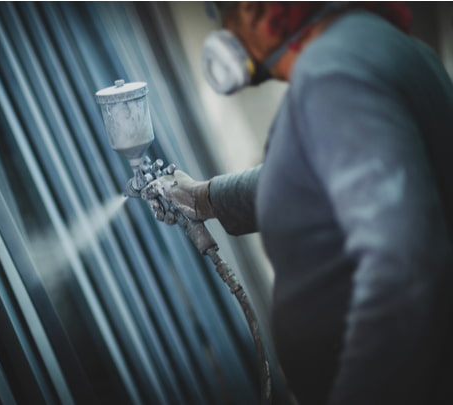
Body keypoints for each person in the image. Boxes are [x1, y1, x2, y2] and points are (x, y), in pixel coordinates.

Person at [142, 2, 453, 405]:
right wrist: (203, 198)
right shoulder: (376, 48)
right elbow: (318, 177)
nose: (226, 32)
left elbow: (402, 269)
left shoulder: (332, 74)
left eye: (225, 14)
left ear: (258, 11)